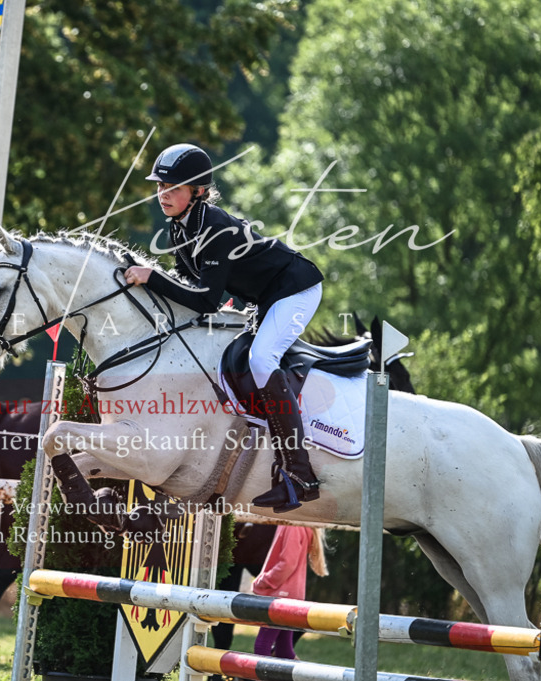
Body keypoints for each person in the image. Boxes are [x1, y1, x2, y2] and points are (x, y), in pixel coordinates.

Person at [124, 143, 325, 512]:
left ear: (198, 191)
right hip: (265, 297)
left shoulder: (214, 227)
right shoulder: (179, 228)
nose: (162, 195)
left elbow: (205, 300)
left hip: (295, 289)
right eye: (160, 187)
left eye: (173, 188)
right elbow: (187, 287)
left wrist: (151, 276)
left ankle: (300, 473)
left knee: (261, 360)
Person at [250, 525, 328, 660]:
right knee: (284, 649)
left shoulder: (292, 525)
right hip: (291, 595)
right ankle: (304, 672)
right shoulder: (298, 525)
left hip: (281, 596)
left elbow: (288, 563)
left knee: (262, 646)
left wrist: (264, 581)